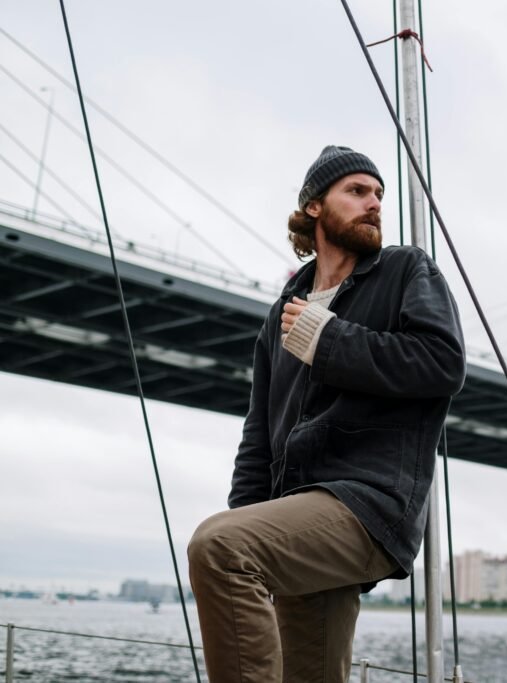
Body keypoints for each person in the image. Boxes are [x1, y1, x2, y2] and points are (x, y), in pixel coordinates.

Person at [188, 145, 466, 683]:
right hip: (299, 511)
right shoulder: (283, 312)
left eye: (378, 194)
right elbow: (260, 434)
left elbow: (443, 362)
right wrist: (252, 519)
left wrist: (329, 339)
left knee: (218, 547)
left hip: (368, 502)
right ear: (314, 206)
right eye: (356, 191)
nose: (374, 203)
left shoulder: (406, 270)